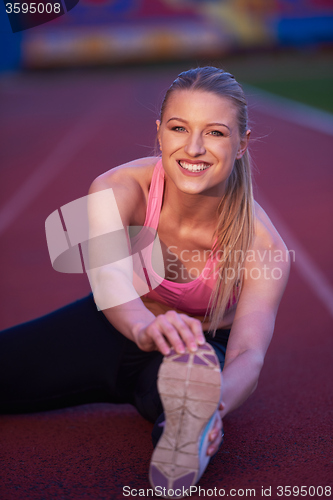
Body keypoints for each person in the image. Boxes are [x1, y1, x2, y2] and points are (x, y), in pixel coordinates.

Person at [0, 67, 290, 496]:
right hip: (116, 325)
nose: (193, 147)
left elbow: (248, 352)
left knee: (183, 412)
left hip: (193, 353)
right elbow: (109, 282)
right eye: (179, 128)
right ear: (159, 133)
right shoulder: (116, 189)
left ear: (242, 144)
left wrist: (215, 406)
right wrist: (144, 328)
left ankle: (190, 433)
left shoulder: (264, 245)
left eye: (214, 133)